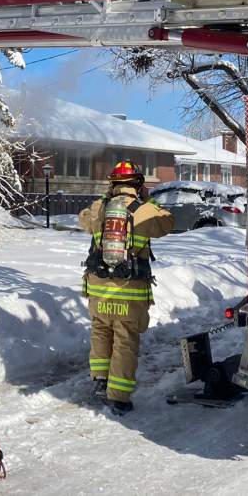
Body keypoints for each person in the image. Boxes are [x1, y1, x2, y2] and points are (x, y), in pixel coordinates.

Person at [79, 160, 173, 415]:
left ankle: (100, 381)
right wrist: (150, 203)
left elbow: (83, 220)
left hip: (98, 288)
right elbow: (168, 223)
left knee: (100, 332)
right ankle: (118, 398)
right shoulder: (145, 210)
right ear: (138, 185)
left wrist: (102, 201)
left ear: (113, 184)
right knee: (124, 340)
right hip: (129, 291)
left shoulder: (100, 209)